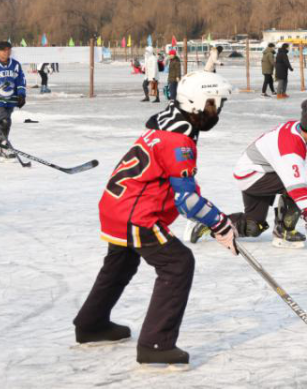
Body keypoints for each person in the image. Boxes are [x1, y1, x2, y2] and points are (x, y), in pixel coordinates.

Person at [72, 71, 237, 366]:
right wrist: (218, 222)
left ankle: (91, 324)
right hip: (136, 215)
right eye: (217, 103)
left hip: (114, 206)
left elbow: (176, 180)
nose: (219, 110)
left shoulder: (169, 121)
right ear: (200, 104)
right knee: (178, 263)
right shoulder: (179, 141)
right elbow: (186, 200)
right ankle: (156, 344)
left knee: (121, 263)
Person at [192, 99, 307, 249]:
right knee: (303, 186)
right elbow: (296, 183)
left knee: (253, 227)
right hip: (253, 175)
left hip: (255, 172)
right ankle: (284, 232)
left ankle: (211, 223)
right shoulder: (290, 148)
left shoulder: (299, 128)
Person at [0, 41, 27, 163]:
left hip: (11, 100)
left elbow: (21, 80)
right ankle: (4, 147)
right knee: (5, 121)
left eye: (8, 50)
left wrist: (21, 95)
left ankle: (3, 149)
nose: (6, 52)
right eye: (3, 50)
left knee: (4, 125)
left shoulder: (15, 65)